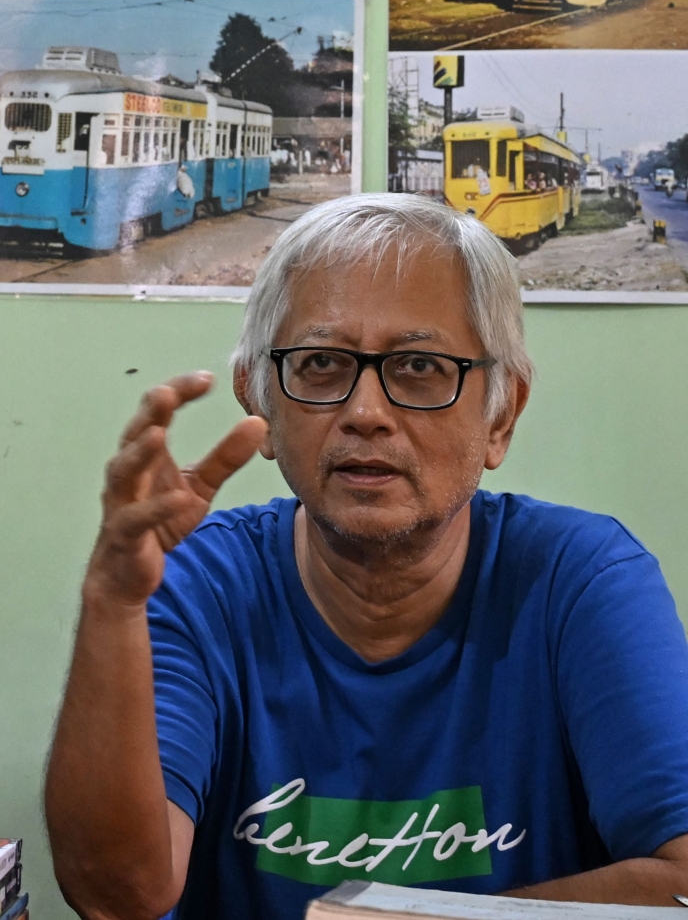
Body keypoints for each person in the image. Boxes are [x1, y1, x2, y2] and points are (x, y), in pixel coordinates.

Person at [45, 193, 688, 920]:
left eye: (419, 366)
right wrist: (113, 602)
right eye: (321, 364)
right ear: (259, 403)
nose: (365, 411)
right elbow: (116, 897)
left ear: (500, 415)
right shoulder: (196, 582)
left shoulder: (581, 580)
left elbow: (683, 877)